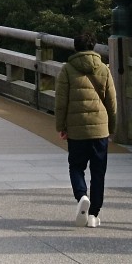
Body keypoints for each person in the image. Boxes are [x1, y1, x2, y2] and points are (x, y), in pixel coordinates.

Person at [53, 35, 116, 228]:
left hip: (77, 128)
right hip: (100, 129)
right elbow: (112, 103)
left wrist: (61, 126)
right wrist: (111, 128)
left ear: (75, 47)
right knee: (98, 172)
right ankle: (94, 215)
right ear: (93, 47)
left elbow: (61, 102)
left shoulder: (67, 69)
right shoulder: (104, 68)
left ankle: (82, 195)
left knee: (76, 166)